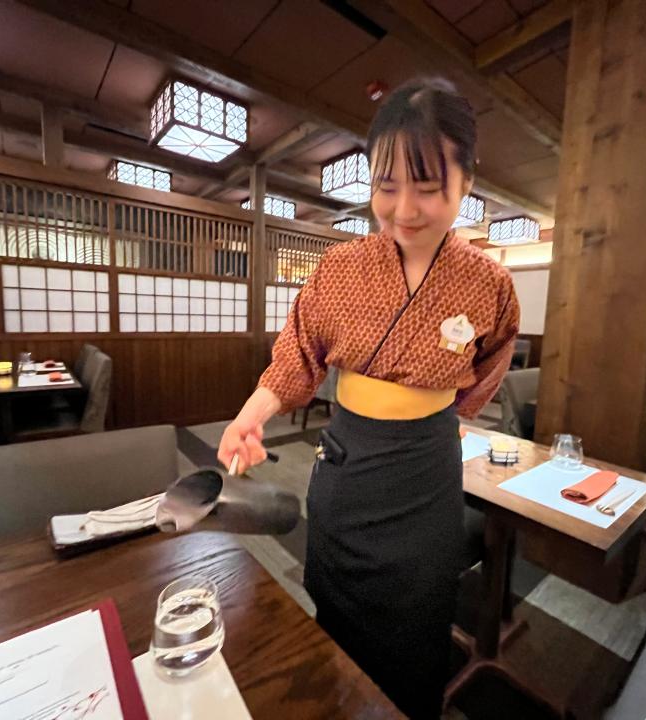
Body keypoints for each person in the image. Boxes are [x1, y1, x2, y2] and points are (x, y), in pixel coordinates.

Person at [218, 77, 520, 718]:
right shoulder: (340, 268)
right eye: (386, 187)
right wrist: (252, 417)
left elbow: (493, 361)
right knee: (335, 632)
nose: (404, 209)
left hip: (425, 476)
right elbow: (298, 352)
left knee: (415, 643)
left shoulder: (488, 282)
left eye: (428, 186)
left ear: (466, 180)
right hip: (349, 467)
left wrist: (449, 417)